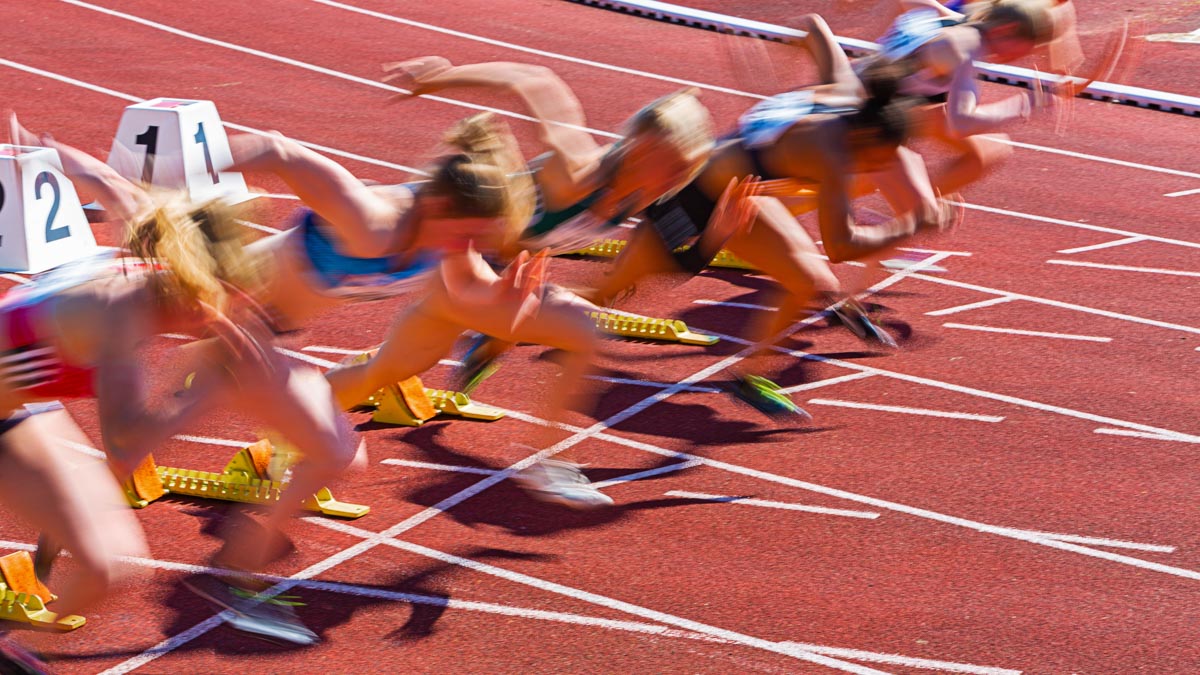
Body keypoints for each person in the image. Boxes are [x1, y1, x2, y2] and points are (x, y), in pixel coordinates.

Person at [6, 115, 361, 649]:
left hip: (21, 406)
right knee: (107, 560)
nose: (235, 313)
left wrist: (48, 151)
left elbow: (109, 182)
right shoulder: (116, 317)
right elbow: (123, 448)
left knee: (111, 567)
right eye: (226, 301)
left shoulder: (163, 239)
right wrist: (203, 394)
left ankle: (16, 653)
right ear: (195, 289)